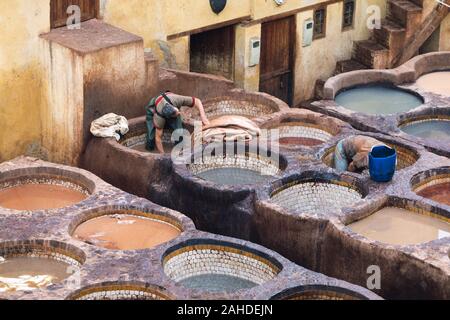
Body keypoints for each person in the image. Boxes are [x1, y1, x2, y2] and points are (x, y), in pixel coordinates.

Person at [145, 91, 210, 154]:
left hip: (168, 100)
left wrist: (203, 116)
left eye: (177, 112)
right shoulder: (160, 116)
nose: (178, 113)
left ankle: (178, 150)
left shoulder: (177, 99)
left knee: (180, 132)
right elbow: (158, 138)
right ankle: (149, 147)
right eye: (176, 114)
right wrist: (163, 154)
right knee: (150, 139)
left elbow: (197, 101)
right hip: (153, 108)